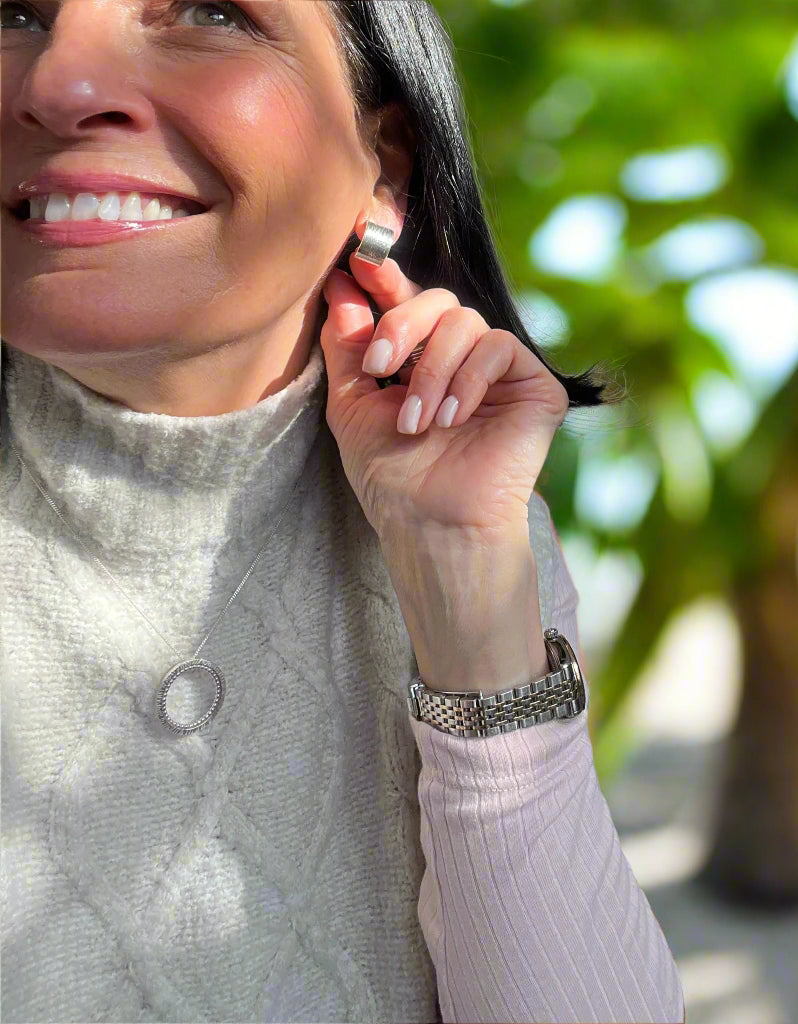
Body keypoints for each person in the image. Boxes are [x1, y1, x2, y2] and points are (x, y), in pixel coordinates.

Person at [0, 1, 686, 1021]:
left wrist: (462, 578)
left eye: (205, 10)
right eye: (12, 11)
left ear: (386, 158)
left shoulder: (468, 514)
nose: (58, 82)